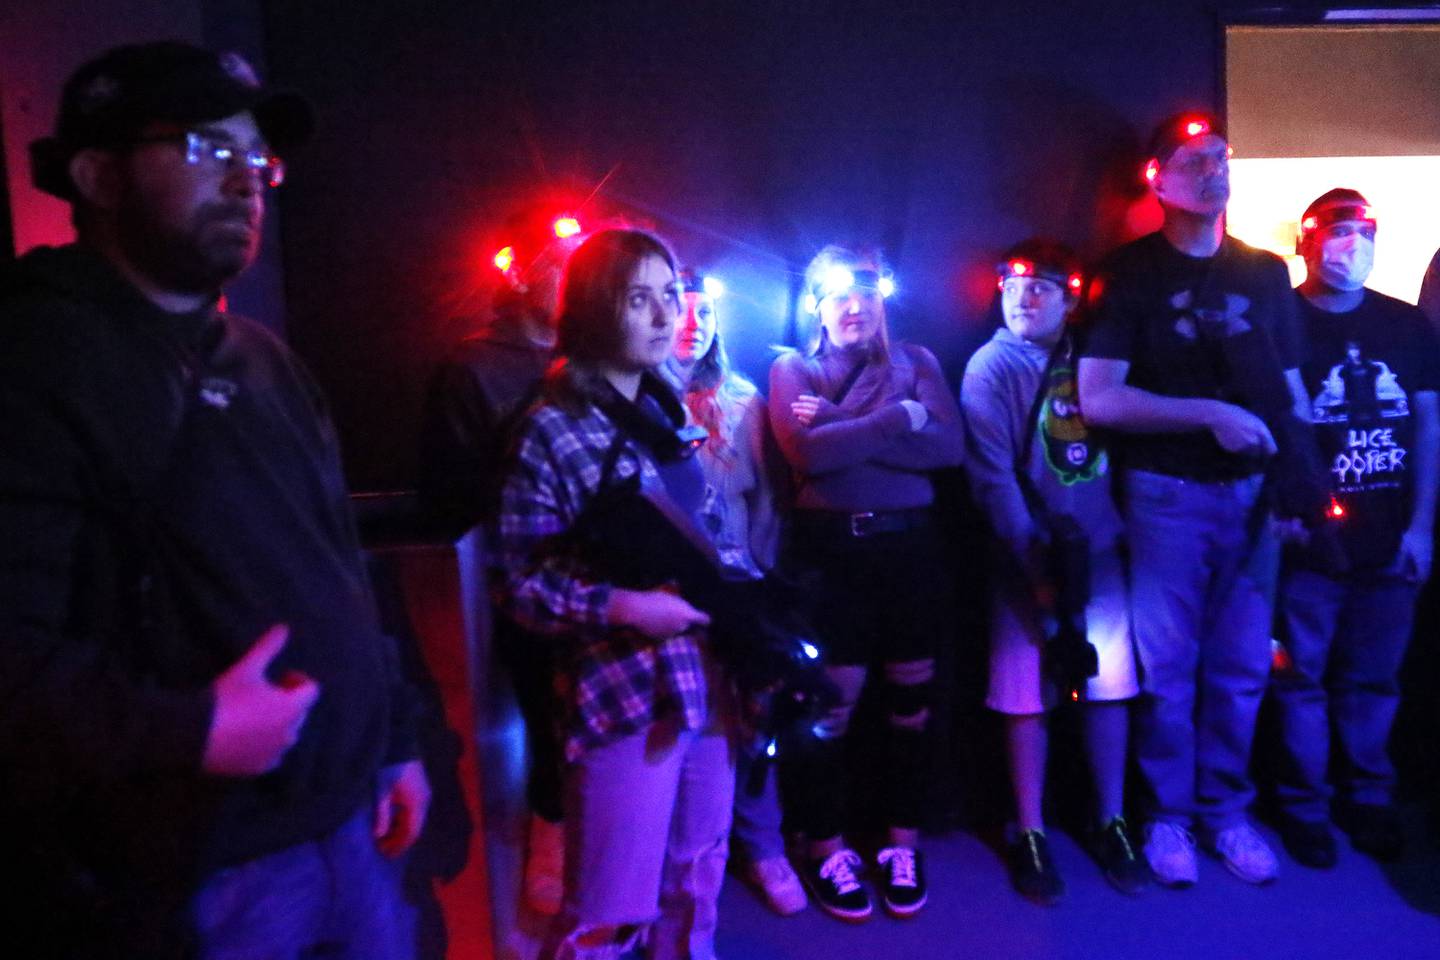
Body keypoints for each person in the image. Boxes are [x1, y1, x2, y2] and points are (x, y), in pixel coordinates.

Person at [0, 42, 429, 958]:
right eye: (206, 149)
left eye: (256, 159)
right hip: (196, 873)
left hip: (345, 826)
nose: (247, 183)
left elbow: (343, 569)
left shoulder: (267, 361)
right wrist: (189, 729)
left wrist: (393, 736)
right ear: (97, 176)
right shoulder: (35, 362)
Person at [1077, 111, 1308, 887]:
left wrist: (1295, 476)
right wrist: (1208, 414)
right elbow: (1099, 399)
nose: (1215, 169)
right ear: (1159, 179)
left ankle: (1227, 815)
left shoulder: (1266, 272)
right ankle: (1167, 819)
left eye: (1221, 156)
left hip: (1253, 500)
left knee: (1242, 667)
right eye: (1195, 158)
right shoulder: (1129, 272)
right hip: (1165, 497)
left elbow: (1292, 388)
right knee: (1168, 670)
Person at [495, 228, 733, 960]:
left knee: (694, 884)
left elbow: (714, 534)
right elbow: (520, 587)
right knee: (609, 910)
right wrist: (627, 608)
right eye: (641, 299)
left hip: (713, 679)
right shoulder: (550, 427)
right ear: (599, 308)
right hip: (627, 690)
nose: (667, 316)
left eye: (670, 295)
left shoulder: (670, 413)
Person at [768, 245, 964, 921]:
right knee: (832, 706)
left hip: (913, 554)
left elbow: (948, 448)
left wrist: (840, 426)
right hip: (833, 559)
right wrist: (898, 418)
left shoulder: (919, 360)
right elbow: (810, 457)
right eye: (841, 297)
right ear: (818, 306)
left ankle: (900, 841)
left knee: (911, 703)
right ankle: (825, 845)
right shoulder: (792, 367)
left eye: (869, 296)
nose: (857, 308)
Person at [961, 241, 1146, 904]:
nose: (1024, 299)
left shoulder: (1094, 356)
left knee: (1109, 687)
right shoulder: (991, 365)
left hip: (1100, 548)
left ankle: (1111, 817)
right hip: (1028, 554)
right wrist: (1031, 562)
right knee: (1024, 692)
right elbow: (991, 474)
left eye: (1040, 289)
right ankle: (1030, 828)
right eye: (1013, 288)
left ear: (1070, 299)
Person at [1270, 189, 1440, 868]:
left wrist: (1424, 527)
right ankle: (1303, 805)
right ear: (1306, 242)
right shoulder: (1280, 321)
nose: (1350, 245)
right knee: (1301, 678)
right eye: (1335, 232)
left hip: (1392, 538)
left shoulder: (1405, 325)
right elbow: (1276, 425)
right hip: (1310, 543)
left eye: (1361, 231)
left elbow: (1429, 425)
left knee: (1374, 681)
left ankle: (1369, 797)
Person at [418, 229, 578, 915]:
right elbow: (448, 491)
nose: (572, 283)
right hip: (518, 573)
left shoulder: (589, 360)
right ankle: (548, 840)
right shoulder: (473, 367)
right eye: (559, 270)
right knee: (541, 717)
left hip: (597, 570)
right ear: (522, 279)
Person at [664, 268, 804, 916]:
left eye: (705, 313)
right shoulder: (633, 401)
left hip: (739, 585)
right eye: (680, 310)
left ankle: (764, 846)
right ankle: (671, 866)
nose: (693, 324)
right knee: (674, 737)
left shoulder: (744, 399)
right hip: (666, 599)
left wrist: (761, 579)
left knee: (751, 727)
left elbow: (772, 499)